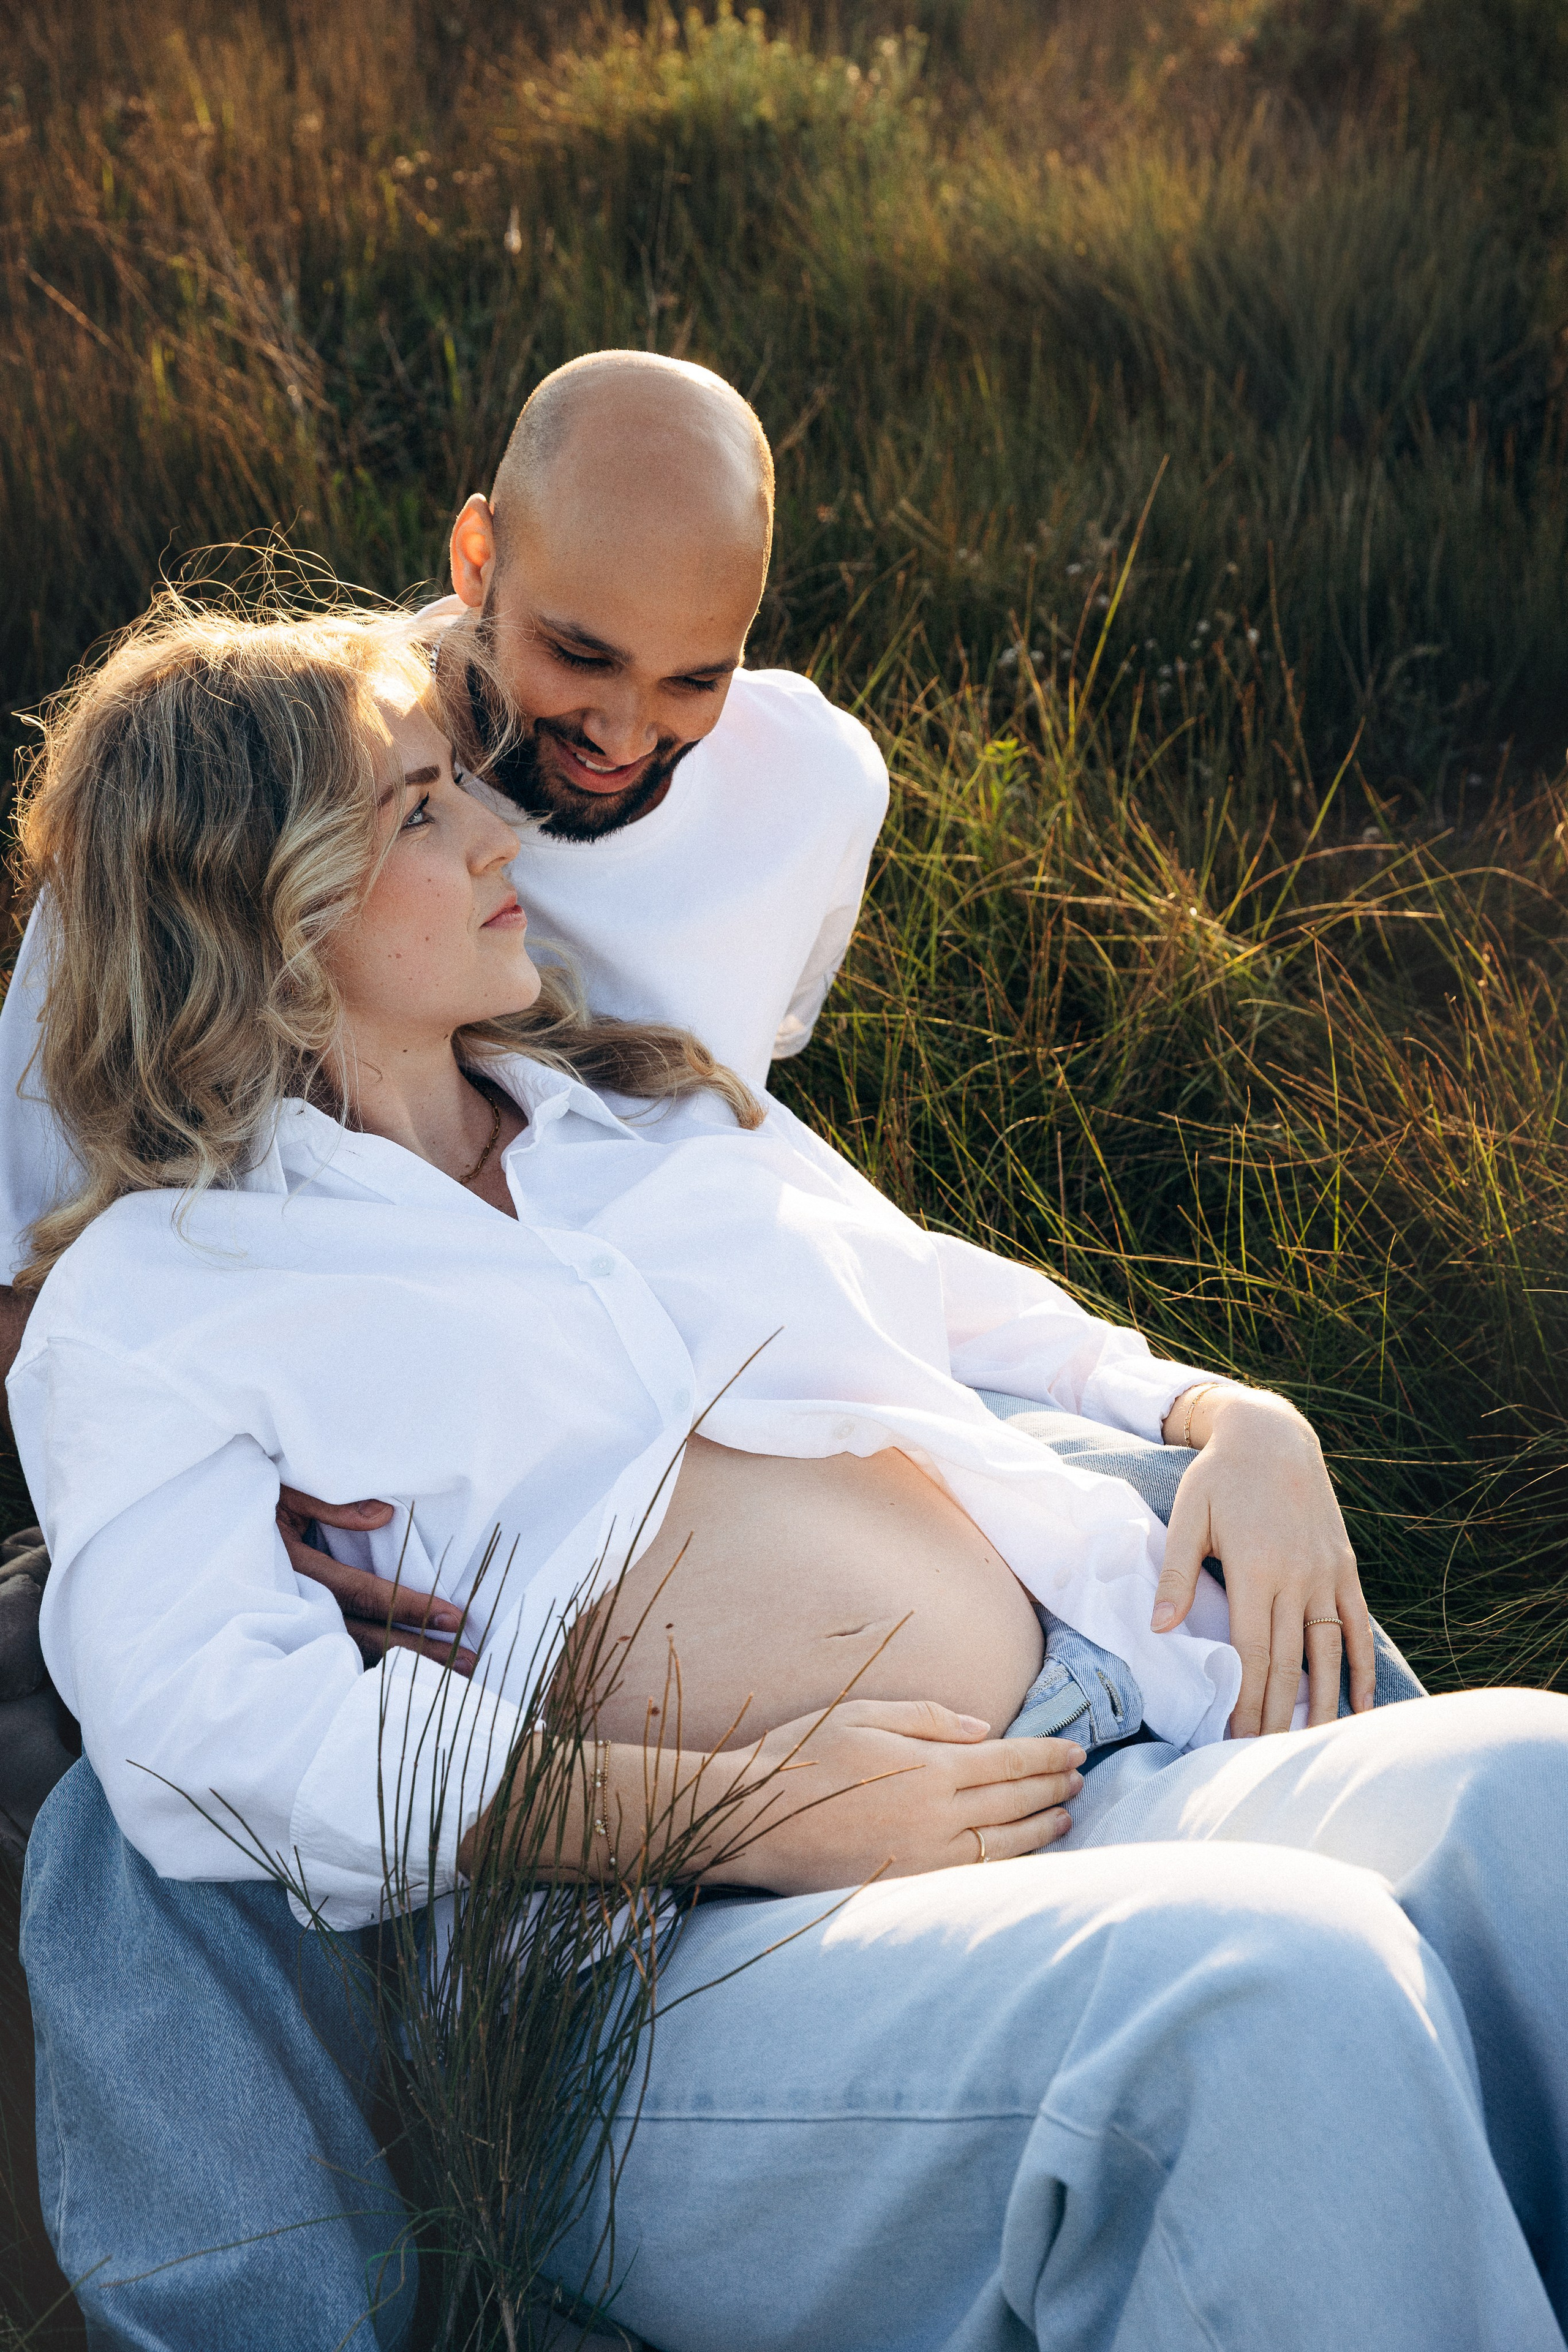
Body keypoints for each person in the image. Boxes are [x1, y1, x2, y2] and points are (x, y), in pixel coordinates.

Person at [13, 606, 1568, 2352]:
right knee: (1271, 1993)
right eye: (421, 814)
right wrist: (744, 1802)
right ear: (263, 910)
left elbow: (958, 1299)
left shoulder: (640, 1111)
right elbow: (204, 1743)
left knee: (1540, 1795)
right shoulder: (161, 1297)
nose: (502, 833)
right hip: (673, 1965)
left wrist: (1232, 1418)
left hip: (1078, 1750)